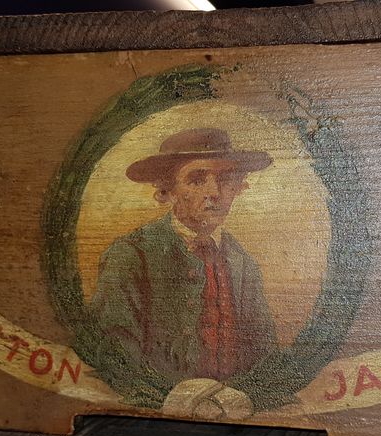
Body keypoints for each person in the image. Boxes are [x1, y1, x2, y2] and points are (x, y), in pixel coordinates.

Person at [91, 128, 277, 387]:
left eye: (225, 179)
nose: (214, 192)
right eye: (197, 180)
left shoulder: (242, 263)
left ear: (238, 187)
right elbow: (117, 358)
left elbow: (265, 356)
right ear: (168, 191)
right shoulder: (131, 255)